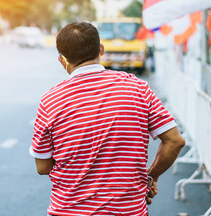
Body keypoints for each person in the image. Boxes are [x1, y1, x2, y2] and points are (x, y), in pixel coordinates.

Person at [29, 22, 185, 216]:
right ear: (101, 50)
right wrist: (150, 177)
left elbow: (42, 167)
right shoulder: (137, 88)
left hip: (68, 211)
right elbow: (175, 140)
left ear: (62, 60)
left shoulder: (50, 100)